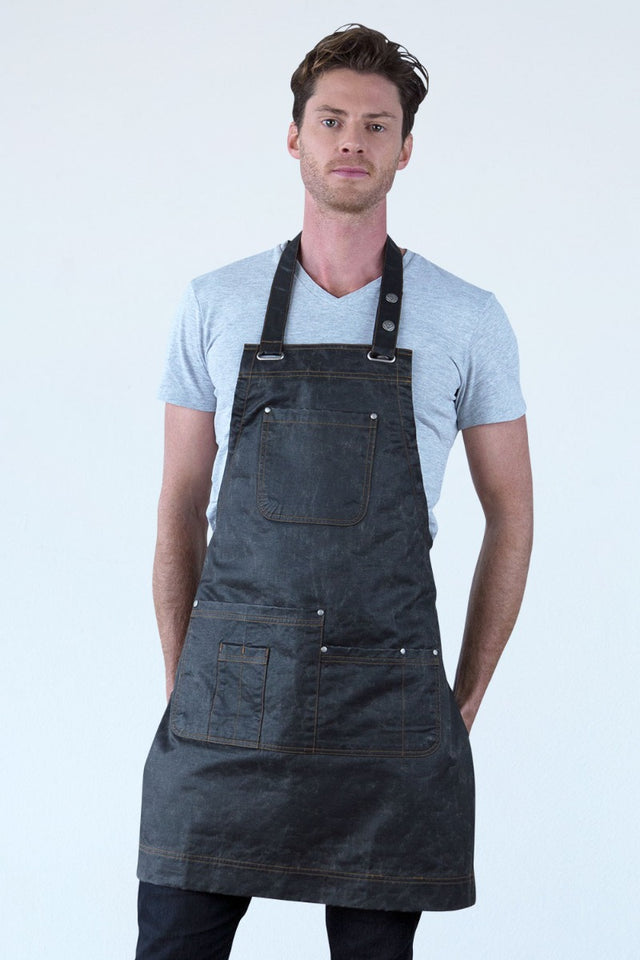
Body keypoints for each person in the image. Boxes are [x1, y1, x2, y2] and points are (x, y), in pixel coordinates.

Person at [135, 23, 533, 960]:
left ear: (405, 148)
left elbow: (513, 514)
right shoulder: (213, 303)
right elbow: (179, 504)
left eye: (376, 125)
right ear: (295, 136)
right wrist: (185, 680)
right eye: (331, 120)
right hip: (224, 710)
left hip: (388, 713)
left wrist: (462, 701)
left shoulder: (468, 317)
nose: (352, 140)